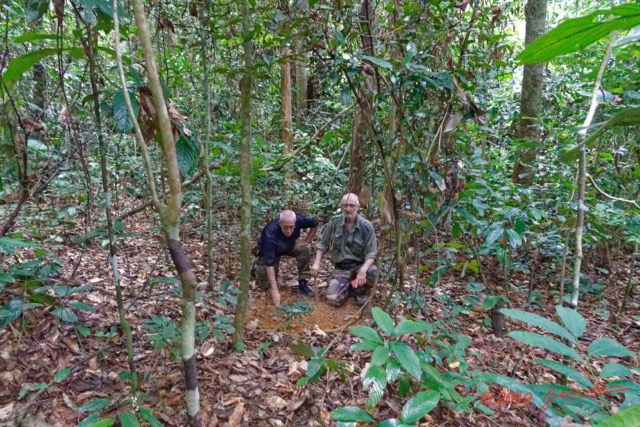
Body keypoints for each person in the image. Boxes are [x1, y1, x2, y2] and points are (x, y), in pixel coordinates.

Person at [311, 193, 377, 306]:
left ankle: (360, 291)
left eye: (352, 205)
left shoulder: (366, 226)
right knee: (332, 299)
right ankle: (346, 285)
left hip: (359, 266)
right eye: (345, 205)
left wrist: (363, 269)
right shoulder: (334, 222)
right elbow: (322, 244)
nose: (348, 209)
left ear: (358, 207)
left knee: (373, 272)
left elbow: (371, 252)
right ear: (341, 206)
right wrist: (316, 263)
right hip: (342, 267)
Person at [254, 210, 318, 307]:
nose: (288, 231)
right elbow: (269, 265)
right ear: (280, 224)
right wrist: (275, 291)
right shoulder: (269, 234)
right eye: (285, 227)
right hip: (271, 251)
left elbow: (315, 223)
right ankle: (256, 268)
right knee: (266, 286)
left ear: (295, 224)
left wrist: (307, 241)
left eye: (291, 227)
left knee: (303, 250)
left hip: (289, 245)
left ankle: (303, 283)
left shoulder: (299, 220)